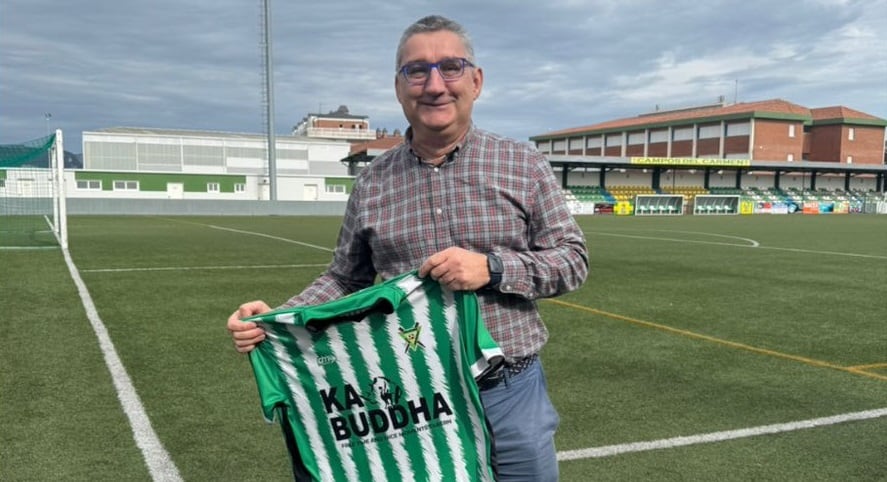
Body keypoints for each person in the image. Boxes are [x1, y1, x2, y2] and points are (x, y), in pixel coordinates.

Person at [228, 14, 588, 481]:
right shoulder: (373, 182)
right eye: (416, 71)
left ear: (476, 82)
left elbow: (572, 260)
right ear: (399, 88)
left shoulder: (523, 164)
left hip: (507, 394)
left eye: (451, 67)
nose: (434, 84)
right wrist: (276, 319)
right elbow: (345, 277)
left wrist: (491, 268)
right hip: (414, 402)